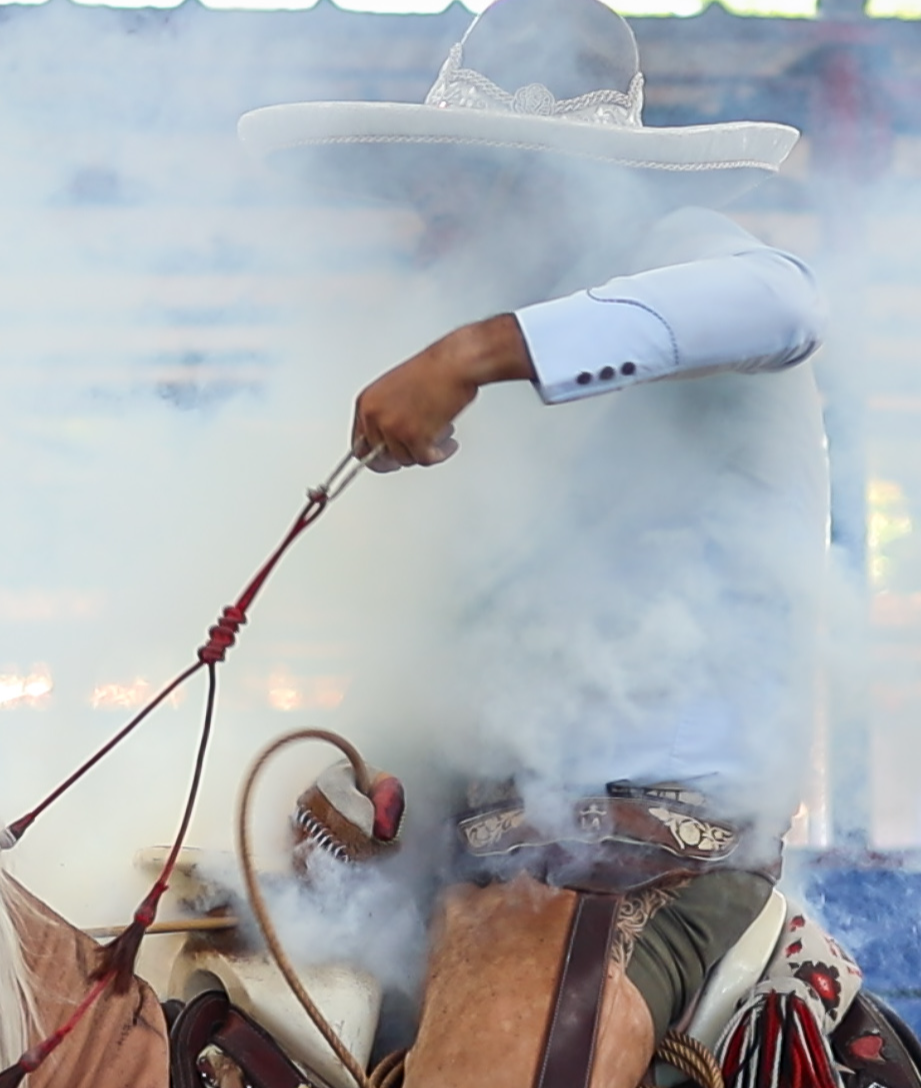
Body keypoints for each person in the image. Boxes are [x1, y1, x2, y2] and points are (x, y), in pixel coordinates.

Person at [242, 0, 845, 1083]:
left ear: (551, 175)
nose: (441, 212)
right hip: (475, 858)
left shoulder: (689, 254)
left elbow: (785, 301)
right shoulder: (523, 393)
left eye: (473, 178)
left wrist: (470, 353)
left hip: (657, 852)